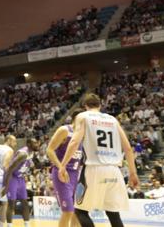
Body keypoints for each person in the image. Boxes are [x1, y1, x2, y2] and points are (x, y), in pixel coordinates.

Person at [59, 93, 139, 227]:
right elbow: (128, 148)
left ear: (85, 106)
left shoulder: (83, 116)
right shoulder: (113, 120)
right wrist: (132, 172)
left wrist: (63, 165)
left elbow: (74, 142)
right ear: (100, 105)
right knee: (113, 214)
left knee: (80, 211)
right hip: (114, 171)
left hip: (93, 169)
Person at [46, 109, 84, 227]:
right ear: (77, 119)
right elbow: (49, 150)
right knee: (68, 211)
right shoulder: (65, 130)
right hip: (62, 173)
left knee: (77, 212)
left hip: (76, 174)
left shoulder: (83, 134)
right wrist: (60, 167)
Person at [2, 138, 39, 227]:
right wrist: (5, 186)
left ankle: (27, 225)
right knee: (12, 203)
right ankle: (9, 226)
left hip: (21, 179)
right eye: (35, 143)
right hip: (12, 178)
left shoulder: (32, 153)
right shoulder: (22, 154)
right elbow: (9, 169)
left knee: (25, 203)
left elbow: (27, 164)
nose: (37, 144)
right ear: (29, 144)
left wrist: (31, 169)